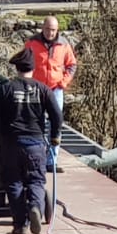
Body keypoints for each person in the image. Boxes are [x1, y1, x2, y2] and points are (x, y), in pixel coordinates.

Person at [0, 51, 62, 234]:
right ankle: (35, 206)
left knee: (13, 182)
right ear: (33, 68)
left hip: (11, 144)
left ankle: (20, 225)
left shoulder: (4, 89)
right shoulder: (43, 90)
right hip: (35, 144)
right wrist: (55, 136)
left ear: (16, 68)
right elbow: (57, 115)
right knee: (36, 180)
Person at [21, 16, 77, 172]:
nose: (50, 33)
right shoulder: (32, 43)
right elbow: (24, 63)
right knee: (35, 123)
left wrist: (63, 82)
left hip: (55, 89)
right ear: (42, 28)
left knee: (56, 124)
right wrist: (27, 83)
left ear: (57, 30)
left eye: (53, 30)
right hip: (37, 90)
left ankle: (51, 161)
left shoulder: (64, 44)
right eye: (47, 29)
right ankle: (36, 158)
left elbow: (71, 65)